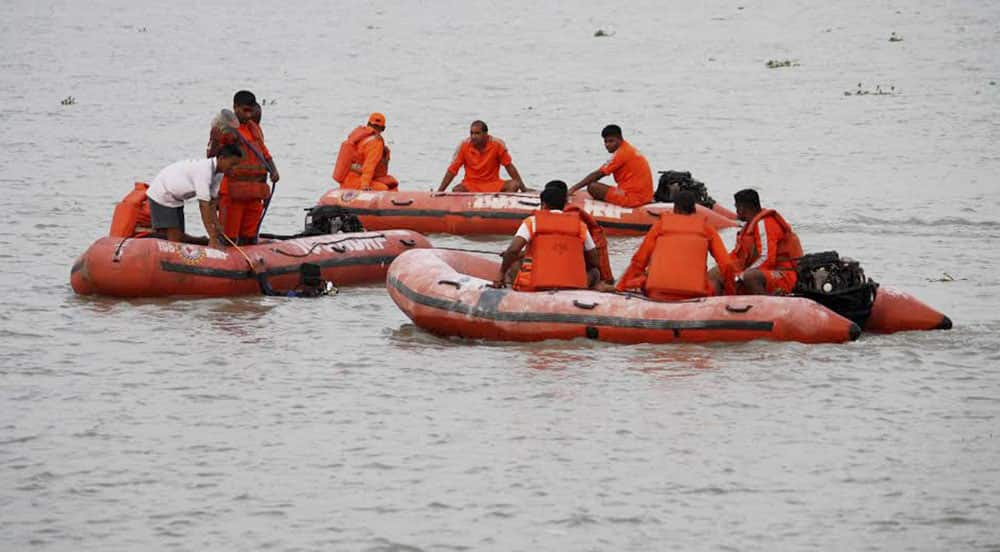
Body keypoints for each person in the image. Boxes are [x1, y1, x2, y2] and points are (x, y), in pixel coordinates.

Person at [615, 191, 735, 300]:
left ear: (675, 208)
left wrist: (620, 287)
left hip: (657, 293)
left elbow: (639, 261)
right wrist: (731, 294)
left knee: (641, 277)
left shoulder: (660, 226)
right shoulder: (707, 229)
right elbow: (727, 265)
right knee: (717, 283)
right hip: (695, 295)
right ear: (694, 208)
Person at [207, 90, 280, 245]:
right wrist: (216, 136)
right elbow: (213, 157)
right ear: (235, 108)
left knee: (250, 237)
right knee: (229, 237)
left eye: (251, 111)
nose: (248, 115)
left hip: (254, 192)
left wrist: (273, 170)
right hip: (233, 192)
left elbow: (264, 151)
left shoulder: (254, 128)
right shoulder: (226, 130)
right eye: (245, 111)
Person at [498, 180, 601, 290]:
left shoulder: (532, 221)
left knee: (513, 263)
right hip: (573, 285)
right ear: (564, 204)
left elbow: (513, 250)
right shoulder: (580, 225)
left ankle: (511, 290)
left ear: (543, 204)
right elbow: (594, 259)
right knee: (594, 272)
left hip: (535, 284)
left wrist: (501, 272)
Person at [145, 144, 243, 249]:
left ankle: (202, 241)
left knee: (178, 237)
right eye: (232, 164)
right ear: (221, 158)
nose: (234, 168)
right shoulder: (204, 171)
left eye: (236, 165)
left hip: (176, 200)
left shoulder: (219, 174)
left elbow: (212, 203)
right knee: (175, 239)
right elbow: (203, 206)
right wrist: (212, 237)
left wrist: (216, 225)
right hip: (163, 193)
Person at [710, 188, 803, 295]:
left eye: (736, 207)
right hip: (762, 272)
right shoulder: (748, 228)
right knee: (716, 273)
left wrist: (740, 275)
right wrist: (725, 269)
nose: (736, 212)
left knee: (750, 277)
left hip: (783, 274)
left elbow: (766, 258)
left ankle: (764, 306)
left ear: (742, 208)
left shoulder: (765, 223)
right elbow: (736, 257)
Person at [569, 124, 653, 207]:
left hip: (633, 199)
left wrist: (573, 189)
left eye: (611, 141)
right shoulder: (628, 148)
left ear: (620, 139)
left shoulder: (622, 154)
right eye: (605, 142)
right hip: (645, 196)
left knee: (593, 187)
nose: (607, 145)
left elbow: (598, 174)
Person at [438, 120, 527, 192]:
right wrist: (440, 191)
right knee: (457, 190)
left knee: (514, 185)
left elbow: (509, 166)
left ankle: (500, 207)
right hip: (471, 185)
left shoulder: (497, 145)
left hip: (492, 184)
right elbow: (452, 170)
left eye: (477, 133)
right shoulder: (464, 146)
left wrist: (524, 190)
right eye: (471, 133)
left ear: (485, 134)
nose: (473, 136)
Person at [332, 112, 398, 191]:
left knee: (390, 181)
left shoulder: (357, 137)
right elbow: (369, 165)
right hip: (358, 182)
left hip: (347, 181)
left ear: (368, 124)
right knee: (386, 189)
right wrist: (365, 185)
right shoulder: (376, 142)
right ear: (383, 128)